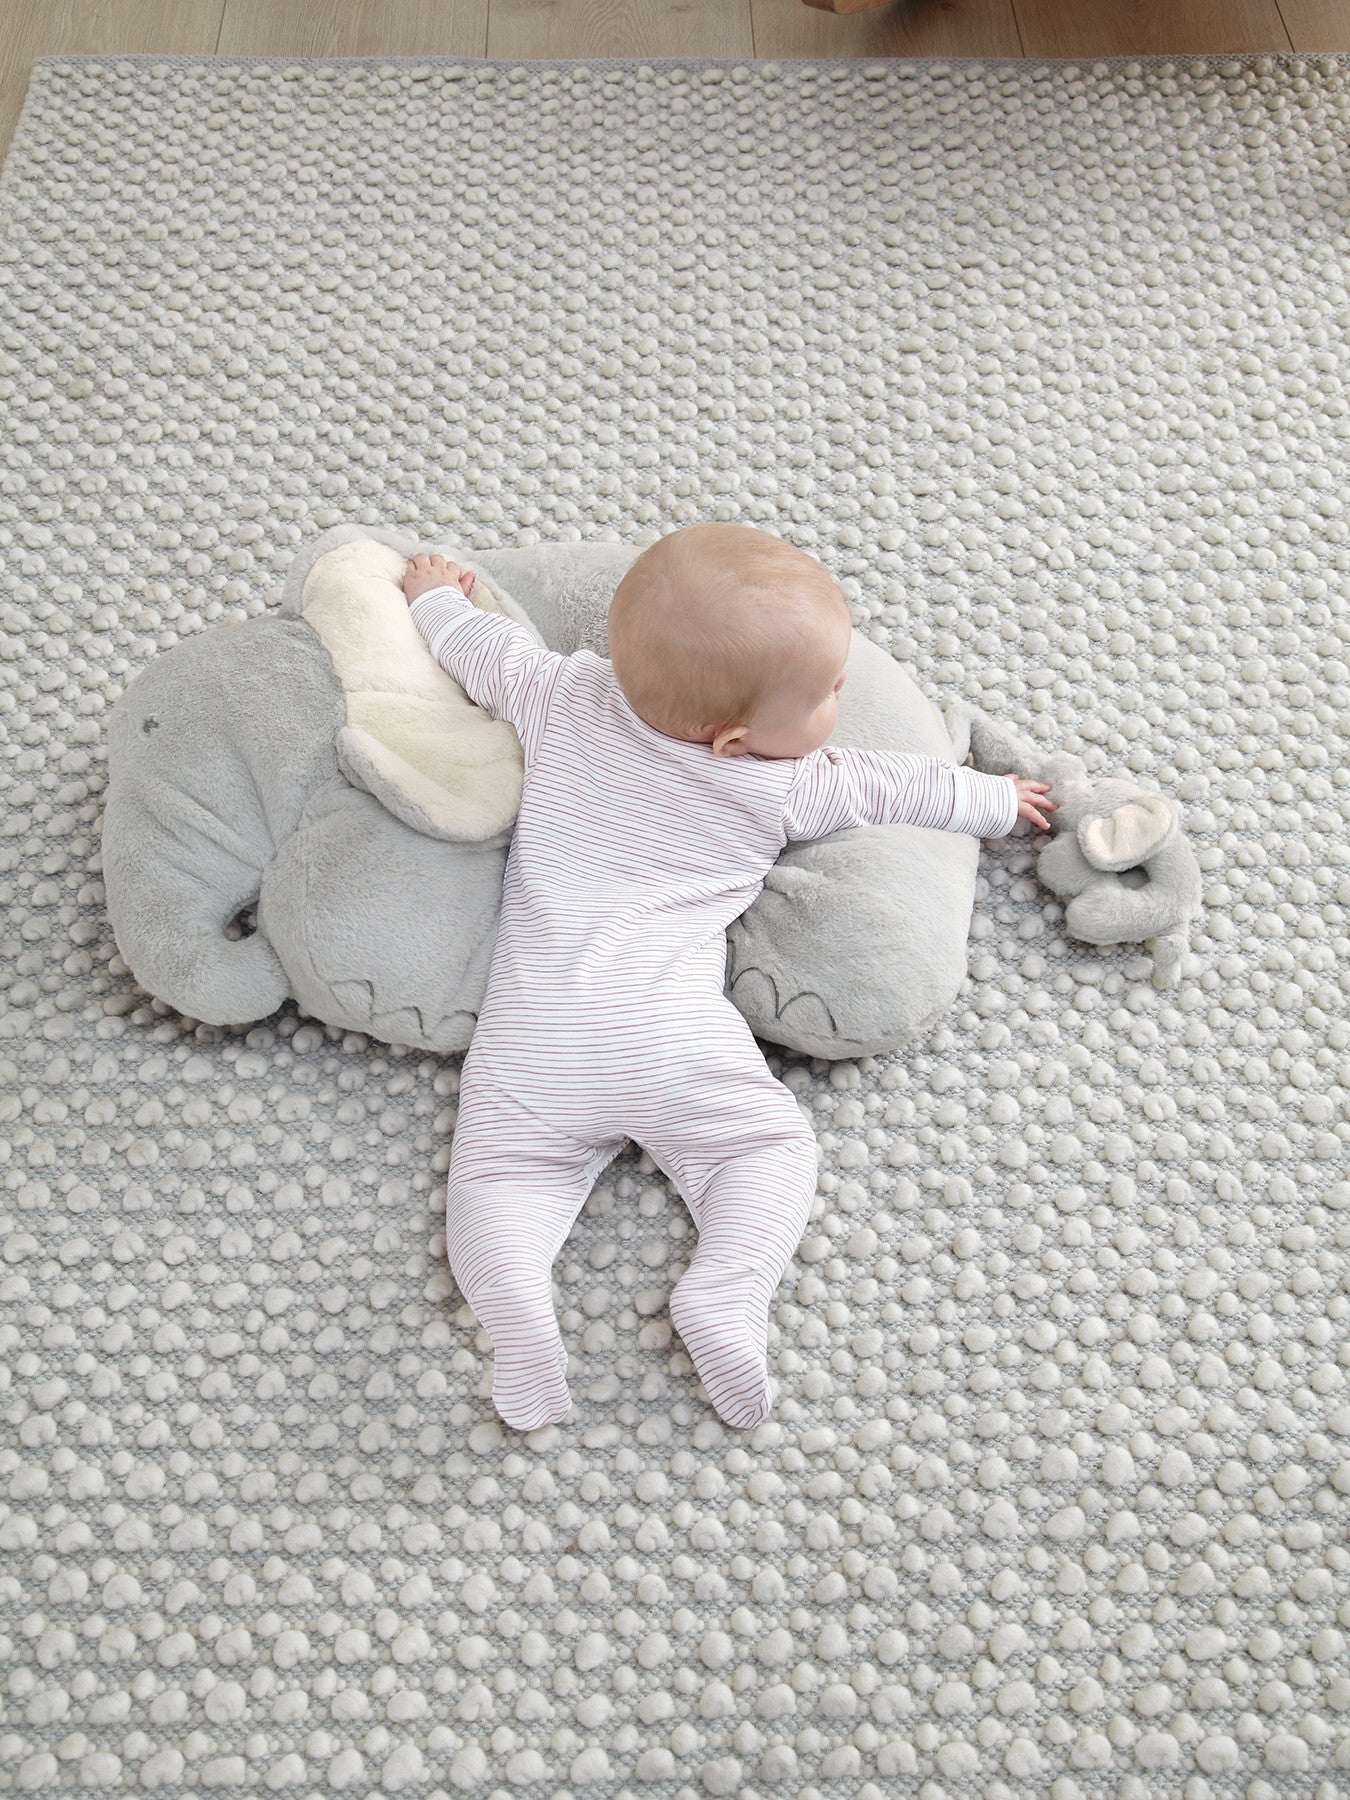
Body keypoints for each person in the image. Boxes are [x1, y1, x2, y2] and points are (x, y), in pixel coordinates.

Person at [404, 522, 1056, 1433]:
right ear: (737, 738)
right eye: (831, 692)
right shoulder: (784, 780)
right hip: (668, 1032)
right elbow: (894, 784)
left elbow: (485, 650)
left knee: (498, 1183)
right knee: (764, 1154)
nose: (841, 700)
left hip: (534, 1033)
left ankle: (514, 1305)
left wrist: (434, 593)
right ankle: (725, 1291)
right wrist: (994, 799)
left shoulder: (562, 692)